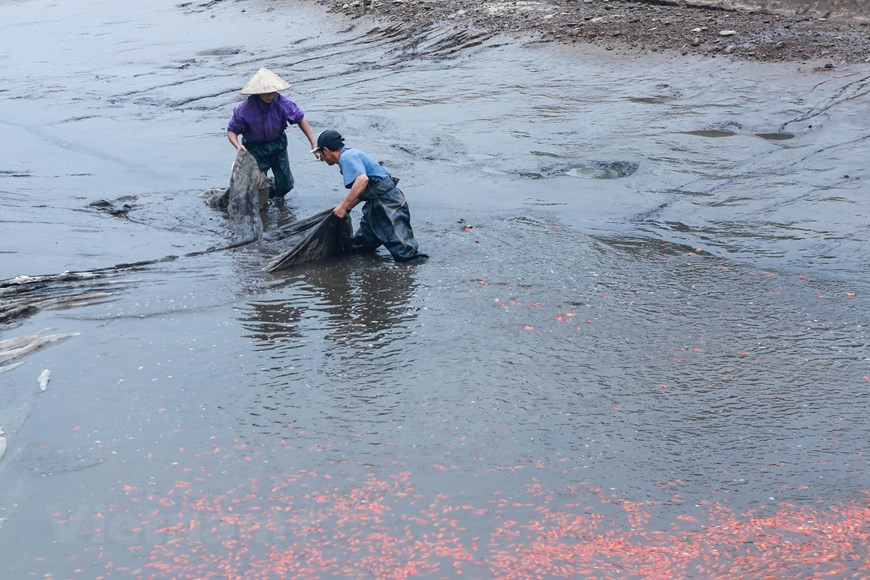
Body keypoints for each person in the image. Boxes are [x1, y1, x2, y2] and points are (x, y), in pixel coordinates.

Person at [313, 130, 427, 263]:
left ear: (326, 150)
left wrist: (344, 206)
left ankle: (418, 275)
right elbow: (364, 190)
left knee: (405, 253)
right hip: (375, 203)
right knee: (362, 244)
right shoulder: (351, 153)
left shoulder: (346, 158)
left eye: (321, 155)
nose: (322, 158)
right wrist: (346, 207)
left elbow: (362, 180)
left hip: (387, 203)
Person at [226, 67, 318, 201]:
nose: (270, 95)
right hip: (254, 148)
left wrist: (313, 143)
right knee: (256, 185)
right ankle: (262, 201)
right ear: (258, 92)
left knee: (286, 184)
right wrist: (237, 145)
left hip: (277, 145)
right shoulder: (245, 109)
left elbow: (300, 119)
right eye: (267, 93)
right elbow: (232, 130)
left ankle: (275, 198)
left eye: (273, 92)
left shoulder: (283, 103)